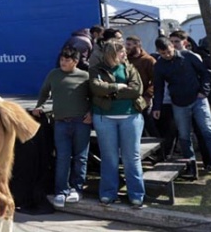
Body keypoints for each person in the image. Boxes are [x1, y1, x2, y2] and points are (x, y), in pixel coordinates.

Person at [152, 36, 211, 175]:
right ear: (158, 51)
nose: (167, 55)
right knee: (184, 136)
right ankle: (191, 167)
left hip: (198, 98)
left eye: (169, 51)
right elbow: (158, 88)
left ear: (172, 46)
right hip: (178, 102)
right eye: (163, 54)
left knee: (208, 131)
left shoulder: (188, 56)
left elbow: (205, 73)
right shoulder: (159, 65)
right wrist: (157, 107)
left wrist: (204, 91)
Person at [89, 40, 146, 208]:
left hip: (131, 117)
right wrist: (118, 86)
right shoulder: (96, 69)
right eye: (121, 51)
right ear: (112, 53)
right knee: (109, 158)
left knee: (131, 157)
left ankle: (136, 194)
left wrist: (111, 92)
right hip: (104, 118)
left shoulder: (129, 68)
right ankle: (108, 193)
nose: (125, 54)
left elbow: (136, 90)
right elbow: (96, 88)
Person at [32, 46, 91, 209]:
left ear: (76, 62)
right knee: (62, 157)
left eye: (67, 60)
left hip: (81, 122)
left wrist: (91, 113)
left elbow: (94, 97)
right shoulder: (54, 74)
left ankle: (77, 189)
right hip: (60, 122)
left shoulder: (85, 76)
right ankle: (61, 191)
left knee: (80, 157)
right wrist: (39, 106)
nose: (63, 63)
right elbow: (44, 92)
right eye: (62, 60)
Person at [125, 35, 158, 137]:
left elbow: (156, 80)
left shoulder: (148, 60)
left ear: (137, 45)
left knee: (149, 124)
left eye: (129, 44)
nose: (127, 47)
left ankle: (161, 150)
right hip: (129, 98)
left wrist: (148, 95)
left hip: (144, 98)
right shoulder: (126, 60)